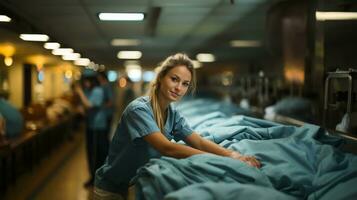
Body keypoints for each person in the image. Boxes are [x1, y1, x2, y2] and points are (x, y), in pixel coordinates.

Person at [94, 53, 261, 200]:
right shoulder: (139, 110)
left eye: (185, 83)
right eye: (174, 79)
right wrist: (221, 160)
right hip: (111, 189)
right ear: (161, 78)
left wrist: (234, 155)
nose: (178, 87)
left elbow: (199, 142)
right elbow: (167, 148)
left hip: (135, 185)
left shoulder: (173, 114)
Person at [75, 75, 109, 188]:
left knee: (96, 153)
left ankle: (96, 178)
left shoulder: (97, 91)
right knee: (90, 152)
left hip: (97, 127)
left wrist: (80, 93)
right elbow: (85, 106)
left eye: (86, 81)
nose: (85, 84)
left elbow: (89, 105)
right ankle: (93, 176)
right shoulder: (89, 90)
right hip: (91, 125)